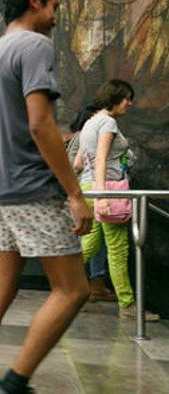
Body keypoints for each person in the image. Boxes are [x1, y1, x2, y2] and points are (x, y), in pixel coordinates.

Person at [0, 0, 93, 394]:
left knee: (0, 286)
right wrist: (74, 193)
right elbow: (41, 124)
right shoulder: (35, 46)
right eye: (55, 5)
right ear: (36, 0)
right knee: (72, 289)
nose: (56, 15)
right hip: (33, 189)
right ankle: (14, 383)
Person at [77, 79, 160, 322]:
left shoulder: (90, 122)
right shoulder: (108, 122)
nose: (130, 103)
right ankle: (127, 304)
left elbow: (79, 163)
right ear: (113, 98)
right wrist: (103, 195)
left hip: (88, 187)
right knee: (117, 249)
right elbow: (102, 158)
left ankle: (64, 286)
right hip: (107, 190)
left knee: (89, 246)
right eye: (126, 98)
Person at [67, 105, 116, 303]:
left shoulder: (79, 136)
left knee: (93, 241)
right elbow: (77, 164)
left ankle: (91, 283)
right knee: (96, 242)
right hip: (87, 189)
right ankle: (81, 283)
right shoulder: (87, 137)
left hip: (82, 190)